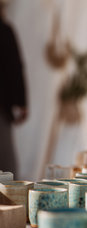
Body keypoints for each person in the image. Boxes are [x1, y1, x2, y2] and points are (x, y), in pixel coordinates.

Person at [0, 3, 28, 175]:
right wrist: (21, 102)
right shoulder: (4, 30)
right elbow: (15, 68)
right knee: (6, 166)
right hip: (1, 105)